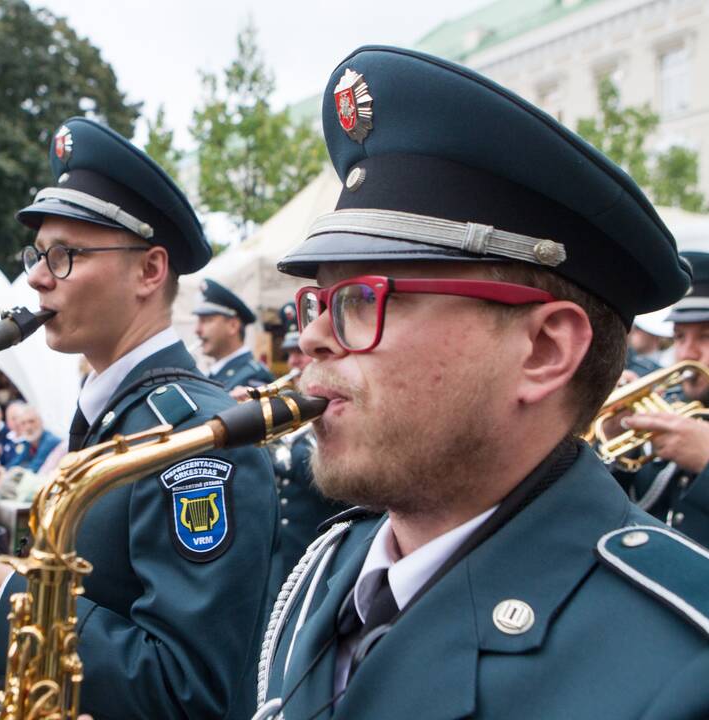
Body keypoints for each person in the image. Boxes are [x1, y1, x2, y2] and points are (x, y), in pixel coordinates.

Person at [256, 47, 708, 720]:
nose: (314, 337)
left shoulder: (685, 667)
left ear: (544, 350)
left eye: (362, 298)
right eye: (318, 303)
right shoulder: (327, 570)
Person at [0, 117, 277, 719]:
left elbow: (188, 690)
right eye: (38, 255)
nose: (37, 277)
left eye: (65, 255)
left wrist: (6, 600)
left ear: (149, 271)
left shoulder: (198, 440)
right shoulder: (114, 412)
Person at [616, 251, 709, 547]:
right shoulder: (673, 403)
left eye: (706, 337)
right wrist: (614, 440)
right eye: (680, 337)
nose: (687, 353)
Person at [265, 303, 345, 611]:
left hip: (322, 564)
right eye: (289, 354)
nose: (294, 360)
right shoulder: (295, 415)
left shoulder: (328, 417)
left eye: (299, 353)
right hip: (286, 566)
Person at [194, 278, 274, 392]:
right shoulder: (214, 374)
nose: (197, 330)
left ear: (233, 326)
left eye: (207, 320)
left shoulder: (253, 377)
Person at [5, 405, 61, 473]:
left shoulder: (50, 441)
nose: (28, 427)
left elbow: (34, 470)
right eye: (23, 423)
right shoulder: (28, 443)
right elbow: (15, 463)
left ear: (41, 422)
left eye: (31, 421)